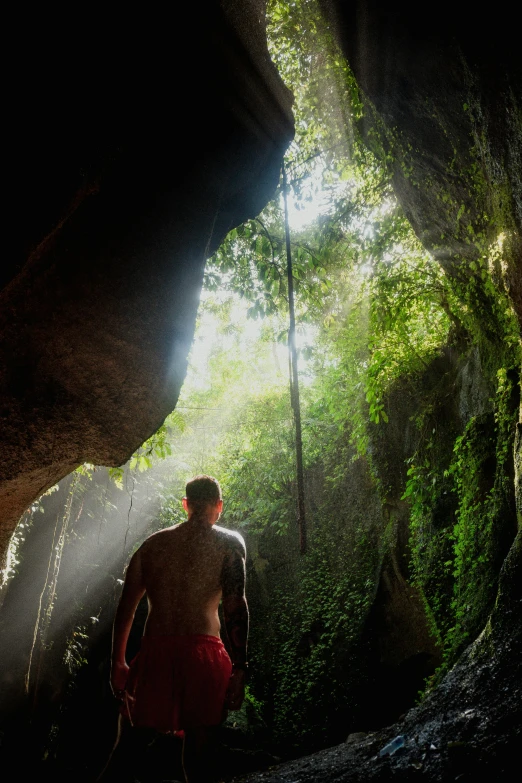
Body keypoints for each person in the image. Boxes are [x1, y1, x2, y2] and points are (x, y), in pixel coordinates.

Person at [98, 475, 249, 783]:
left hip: (156, 654)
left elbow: (125, 608)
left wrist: (118, 662)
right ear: (218, 506)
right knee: (200, 753)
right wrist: (240, 666)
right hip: (204, 655)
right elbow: (236, 606)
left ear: (185, 505)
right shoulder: (229, 544)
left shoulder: (152, 546)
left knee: (127, 749)